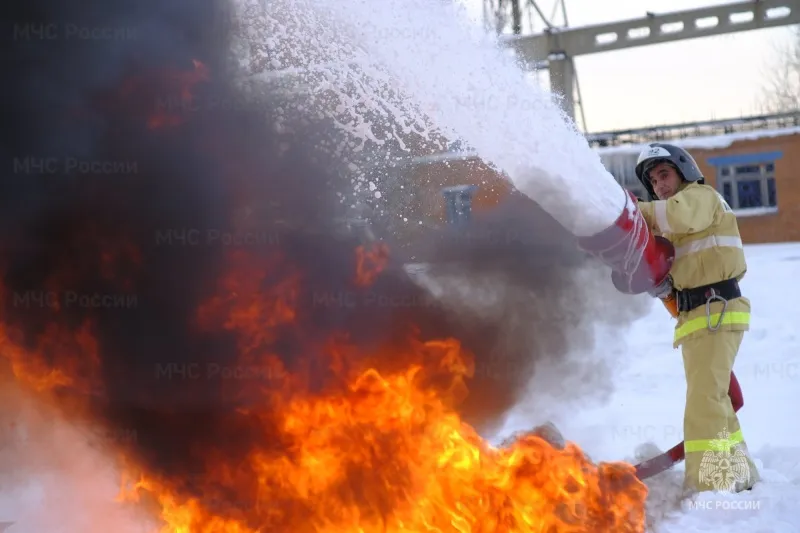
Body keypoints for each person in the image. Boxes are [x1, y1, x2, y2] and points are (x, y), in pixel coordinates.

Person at [632, 142, 759, 494]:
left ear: (684, 171)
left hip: (715, 311)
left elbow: (676, 215)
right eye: (653, 181)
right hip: (698, 318)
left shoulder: (700, 198)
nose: (659, 185)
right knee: (716, 399)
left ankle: (711, 487)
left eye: (664, 174)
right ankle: (740, 476)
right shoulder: (673, 220)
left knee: (704, 403)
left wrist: (631, 211)